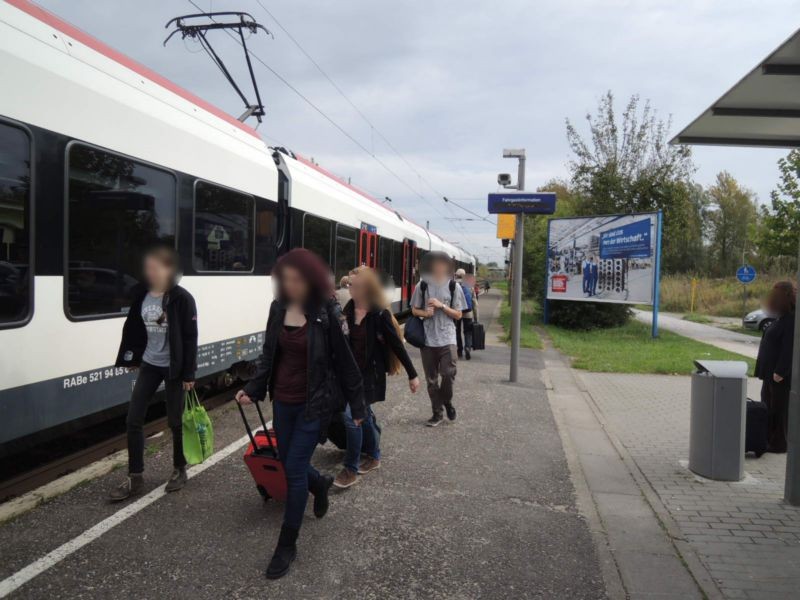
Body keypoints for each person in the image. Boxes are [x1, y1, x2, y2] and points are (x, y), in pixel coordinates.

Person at [235, 248, 364, 580]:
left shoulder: (325, 313)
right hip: (284, 401)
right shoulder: (278, 308)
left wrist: (358, 406)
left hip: (314, 404)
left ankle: (287, 544)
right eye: (284, 279)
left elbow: (346, 363)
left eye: (296, 279)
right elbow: (268, 354)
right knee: (290, 461)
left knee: (292, 469)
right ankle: (319, 484)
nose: (289, 285)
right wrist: (252, 389)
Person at [110, 245, 198, 502]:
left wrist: (189, 374)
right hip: (150, 363)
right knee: (133, 419)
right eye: (148, 267)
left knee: (175, 420)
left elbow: (191, 337)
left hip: (173, 367)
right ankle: (135, 476)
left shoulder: (182, 298)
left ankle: (179, 469)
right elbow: (134, 328)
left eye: (155, 267)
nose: (150, 272)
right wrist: (133, 356)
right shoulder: (142, 295)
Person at [334, 266, 421, 488]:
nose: (348, 288)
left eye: (352, 285)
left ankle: (350, 468)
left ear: (365, 287)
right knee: (365, 416)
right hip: (350, 376)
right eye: (348, 285)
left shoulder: (379, 314)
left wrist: (413, 375)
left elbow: (396, 345)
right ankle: (374, 455)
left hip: (370, 376)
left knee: (351, 417)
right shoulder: (349, 309)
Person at [411, 252, 466, 427]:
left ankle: (447, 401)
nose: (438, 267)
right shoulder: (422, 285)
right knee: (432, 380)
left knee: (448, 374)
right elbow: (414, 310)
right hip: (428, 339)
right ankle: (437, 413)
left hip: (447, 337)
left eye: (442, 264)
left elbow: (458, 314)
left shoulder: (453, 286)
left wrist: (442, 306)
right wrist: (425, 313)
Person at [755, 281, 796, 453]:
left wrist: (780, 371)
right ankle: (769, 439)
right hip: (769, 372)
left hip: (778, 375)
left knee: (779, 409)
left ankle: (779, 443)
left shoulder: (792, 320)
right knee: (768, 405)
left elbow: (789, 349)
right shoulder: (781, 318)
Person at [454, 268, 475, 360]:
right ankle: (467, 348)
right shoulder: (469, 284)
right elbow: (474, 302)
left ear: (456, 275)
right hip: (468, 312)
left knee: (457, 331)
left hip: (457, 312)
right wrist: (476, 317)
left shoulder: (453, 284)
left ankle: (459, 350)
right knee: (468, 332)